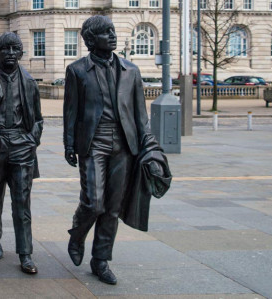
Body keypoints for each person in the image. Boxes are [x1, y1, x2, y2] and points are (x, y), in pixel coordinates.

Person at [63, 15, 167, 285]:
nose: (112, 35)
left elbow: (140, 116)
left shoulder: (130, 71)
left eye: (112, 31)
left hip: (124, 145)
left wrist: (150, 149)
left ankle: (101, 260)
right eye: (105, 32)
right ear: (90, 40)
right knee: (93, 202)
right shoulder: (77, 70)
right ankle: (77, 233)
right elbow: (71, 112)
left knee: (112, 207)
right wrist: (69, 144)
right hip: (92, 142)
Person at [0, 32, 43, 274]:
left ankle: (25, 253)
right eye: (6, 49)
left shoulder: (29, 82)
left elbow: (38, 119)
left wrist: (31, 140)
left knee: (22, 202)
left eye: (15, 49)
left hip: (21, 146)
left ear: (21, 53)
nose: (11, 54)